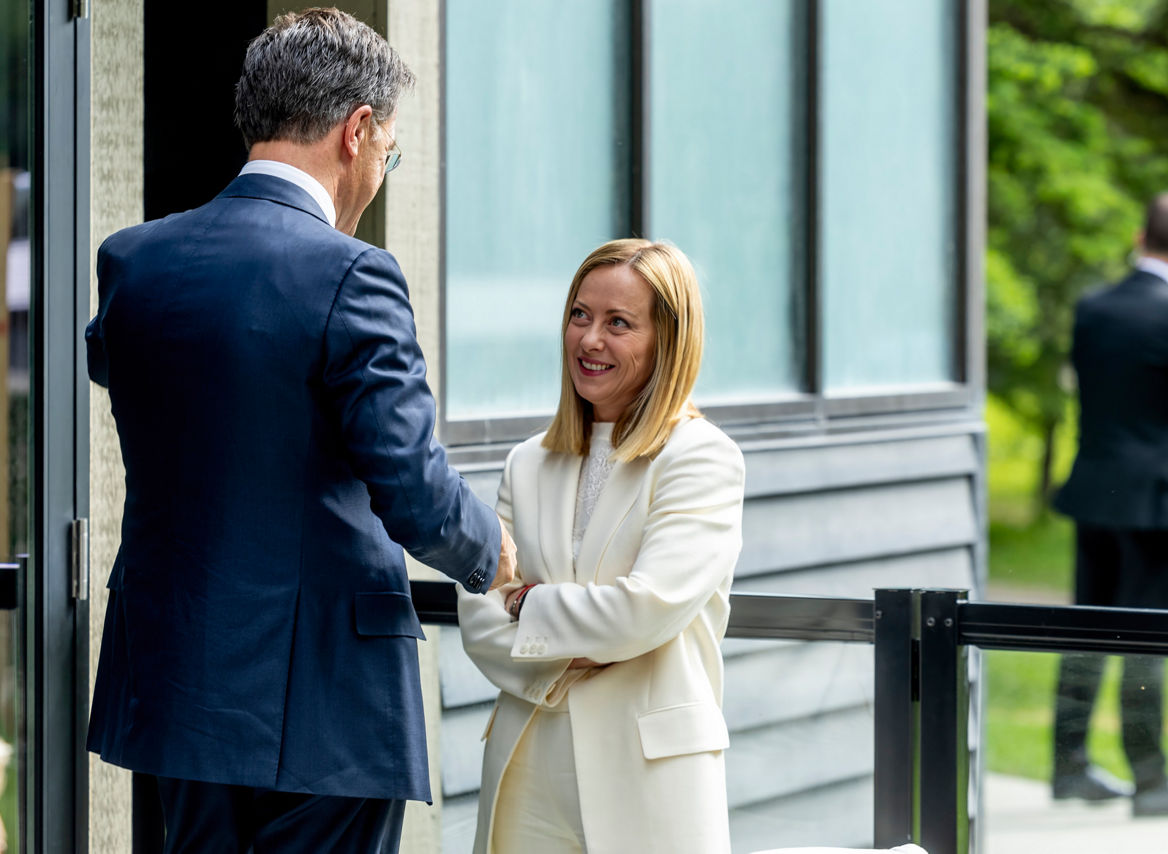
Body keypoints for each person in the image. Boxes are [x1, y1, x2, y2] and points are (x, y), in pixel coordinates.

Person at [85, 9, 514, 852]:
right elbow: (416, 492)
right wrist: (494, 552)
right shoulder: (353, 274)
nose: (383, 171)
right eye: (390, 152)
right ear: (357, 132)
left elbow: (133, 377)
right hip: (323, 703)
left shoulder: (133, 261)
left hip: (175, 683)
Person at [457, 238, 746, 853]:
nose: (590, 339)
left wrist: (530, 607)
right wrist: (590, 641)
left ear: (667, 340)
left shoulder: (700, 458)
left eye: (619, 323)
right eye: (580, 315)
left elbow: (644, 609)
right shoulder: (526, 462)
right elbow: (481, 617)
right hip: (527, 769)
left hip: (648, 779)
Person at [1051, 191, 1168, 817]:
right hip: (1157, 507)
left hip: (1094, 495)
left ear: (1139, 236)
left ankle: (1068, 766)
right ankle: (1152, 783)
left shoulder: (1092, 308)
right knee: (1146, 643)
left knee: (1085, 631)